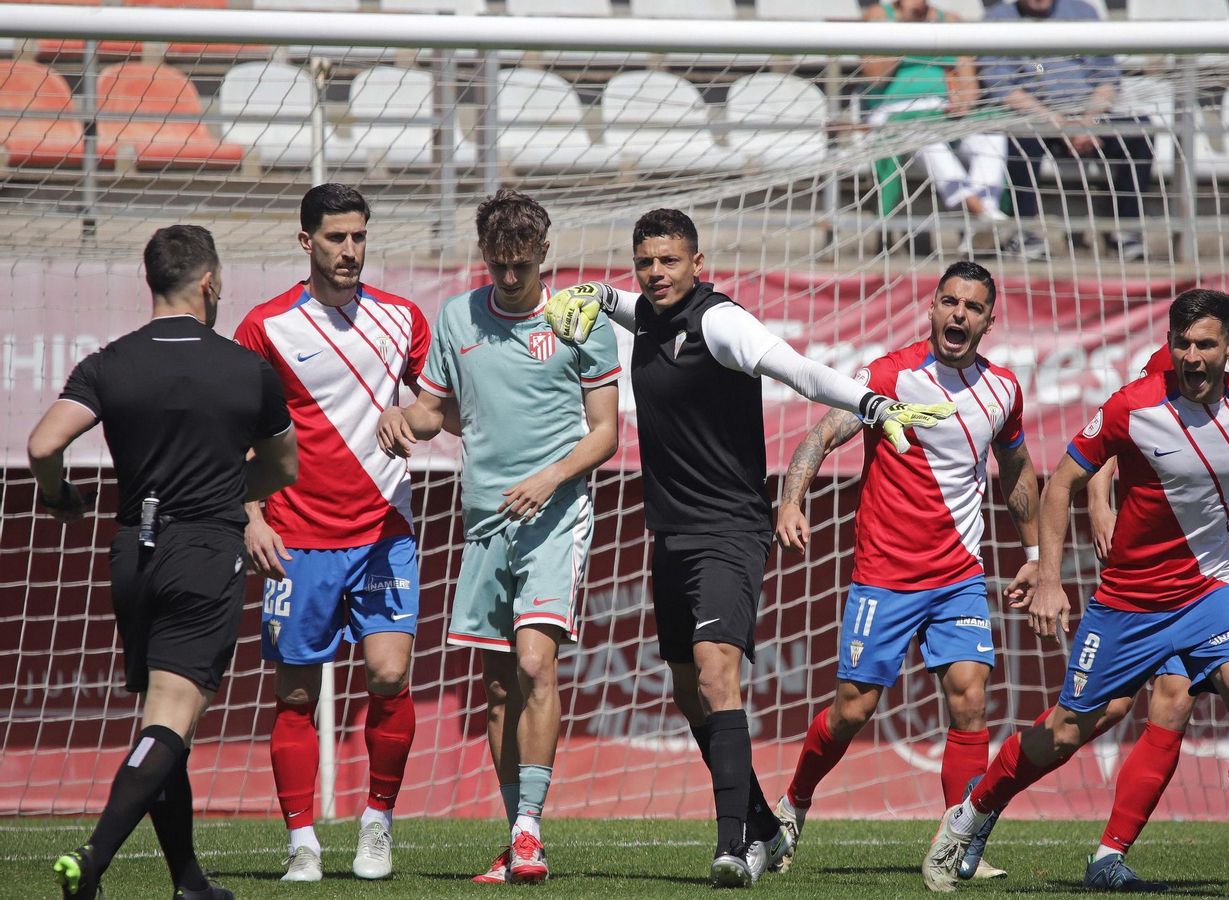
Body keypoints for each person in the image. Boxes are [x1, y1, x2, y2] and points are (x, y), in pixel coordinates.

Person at [542, 207, 957, 887]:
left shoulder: (719, 321)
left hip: (730, 529)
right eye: (645, 262)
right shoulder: (645, 309)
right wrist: (588, 292)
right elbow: (616, 302)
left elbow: (800, 372)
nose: (655, 273)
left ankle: (736, 846)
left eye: (669, 261)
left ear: (697, 264)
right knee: (685, 688)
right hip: (669, 533)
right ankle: (763, 820)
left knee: (714, 674)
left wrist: (873, 403)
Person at [921, 288, 1229, 897]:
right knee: (1070, 730)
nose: (1192, 355)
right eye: (1182, 343)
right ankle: (971, 814)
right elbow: (1059, 486)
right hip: (1129, 603)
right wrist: (1049, 578)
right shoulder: (1133, 406)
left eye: (1205, 343)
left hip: (1212, 593)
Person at [35, 225, 298, 900]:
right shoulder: (248, 369)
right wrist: (225, 493)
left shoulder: (110, 362)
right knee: (169, 723)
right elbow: (284, 466)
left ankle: (187, 881)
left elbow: (43, 444)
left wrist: (61, 498)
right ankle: (92, 858)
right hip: (204, 551)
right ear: (209, 284)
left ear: (151, 281)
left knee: (162, 718)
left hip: (133, 554)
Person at [377, 189, 620, 885]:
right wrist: (405, 419)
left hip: (555, 515)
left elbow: (605, 432)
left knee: (537, 664)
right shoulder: (458, 317)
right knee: (496, 690)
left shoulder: (579, 321)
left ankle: (529, 829)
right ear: (484, 257)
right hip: (482, 520)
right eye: (498, 266)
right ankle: (517, 834)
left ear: (544, 254)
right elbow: (437, 412)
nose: (509, 279)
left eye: (520, 266)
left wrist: (550, 479)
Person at [767, 260, 1038, 881]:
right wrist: (791, 499)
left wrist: (1035, 557)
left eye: (972, 306)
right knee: (852, 710)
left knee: (971, 700)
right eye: (949, 302)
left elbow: (1018, 473)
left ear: (988, 320)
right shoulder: (891, 375)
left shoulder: (1003, 391)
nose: (958, 314)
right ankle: (793, 806)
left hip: (960, 576)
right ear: (932, 307)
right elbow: (821, 435)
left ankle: (957, 841)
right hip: (884, 577)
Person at [1070, 251, 1229, 891]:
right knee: (1139, 707)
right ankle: (1105, 852)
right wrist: (1100, 498)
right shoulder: (1186, 359)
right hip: (1155, 575)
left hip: (1220, 579)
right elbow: (1118, 426)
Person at [234, 184, 431, 883]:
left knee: (388, 672)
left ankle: (376, 824)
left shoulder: (402, 319)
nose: (350, 250)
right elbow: (235, 435)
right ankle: (303, 841)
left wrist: (418, 418)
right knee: (294, 695)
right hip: (295, 535)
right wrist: (251, 515)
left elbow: (442, 404)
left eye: (358, 237)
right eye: (335, 238)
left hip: (383, 529)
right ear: (306, 241)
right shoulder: (265, 327)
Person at [979, 0, 1155, 262]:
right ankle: (1023, 232)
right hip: (1036, 117)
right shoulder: (998, 19)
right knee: (1018, 139)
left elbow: (1107, 78)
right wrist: (1059, 123)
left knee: (1141, 130)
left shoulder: (1083, 13)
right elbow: (1003, 88)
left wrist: (1087, 121)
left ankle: (1127, 231)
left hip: (1089, 116)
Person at [862, 0, 1010, 245]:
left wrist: (963, 102)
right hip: (896, 116)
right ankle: (983, 212)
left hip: (943, 114)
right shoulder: (880, 15)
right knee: (923, 138)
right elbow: (873, 74)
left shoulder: (949, 20)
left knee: (991, 134)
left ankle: (984, 220)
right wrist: (907, 29)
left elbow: (968, 83)